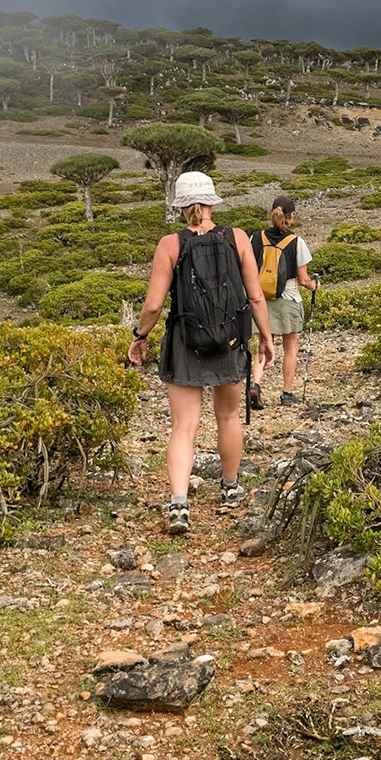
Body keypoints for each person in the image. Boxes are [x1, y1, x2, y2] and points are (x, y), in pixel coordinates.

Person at [127, 172, 274, 534]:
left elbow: (153, 305)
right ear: (211, 202)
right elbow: (255, 296)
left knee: (183, 426)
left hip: (184, 341)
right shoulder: (238, 237)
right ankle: (230, 487)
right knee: (227, 417)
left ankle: (179, 504)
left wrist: (139, 336)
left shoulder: (170, 244)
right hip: (230, 339)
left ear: (180, 205)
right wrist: (267, 339)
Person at [249, 195, 318, 407]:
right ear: (291, 217)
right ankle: (286, 393)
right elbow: (303, 279)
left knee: (263, 343)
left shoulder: (256, 238)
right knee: (290, 346)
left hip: (261, 299)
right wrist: (314, 286)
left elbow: (249, 270)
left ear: (272, 214)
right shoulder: (297, 242)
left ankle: (255, 385)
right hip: (288, 299)